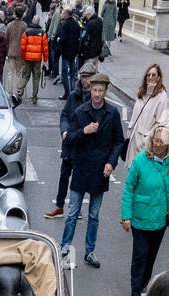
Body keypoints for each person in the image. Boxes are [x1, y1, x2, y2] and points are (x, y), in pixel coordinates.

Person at [59, 71, 124, 268]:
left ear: (105, 91)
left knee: (94, 215)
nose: (97, 94)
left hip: (100, 171)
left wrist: (111, 163)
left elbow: (118, 142)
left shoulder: (112, 114)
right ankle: (64, 248)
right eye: (94, 90)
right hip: (82, 168)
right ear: (90, 90)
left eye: (100, 90)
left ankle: (89, 251)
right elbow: (69, 138)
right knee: (72, 213)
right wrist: (83, 131)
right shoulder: (81, 112)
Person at [120, 123, 169, 296]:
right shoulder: (141, 160)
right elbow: (128, 189)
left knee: (151, 256)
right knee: (140, 255)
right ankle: (134, 292)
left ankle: (142, 288)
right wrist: (126, 216)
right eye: (155, 140)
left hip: (161, 218)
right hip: (141, 217)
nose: (157, 144)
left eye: (161, 142)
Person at [44, 61, 94, 218]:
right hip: (70, 141)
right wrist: (64, 130)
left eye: (89, 78)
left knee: (79, 178)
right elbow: (65, 114)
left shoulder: (93, 100)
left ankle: (76, 208)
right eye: (84, 77)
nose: (86, 81)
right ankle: (59, 206)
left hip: (84, 144)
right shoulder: (74, 95)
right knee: (64, 175)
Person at [124, 62, 167, 168]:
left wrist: (148, 139)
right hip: (134, 139)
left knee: (142, 173)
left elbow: (160, 122)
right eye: (148, 75)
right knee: (131, 172)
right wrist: (129, 132)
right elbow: (135, 115)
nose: (150, 77)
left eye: (154, 75)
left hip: (146, 142)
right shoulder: (142, 92)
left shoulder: (162, 96)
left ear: (159, 78)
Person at [15, 13, 48, 106]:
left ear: (32, 21)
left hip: (27, 58)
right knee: (36, 78)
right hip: (37, 59)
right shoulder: (42, 33)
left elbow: (22, 47)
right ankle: (34, 97)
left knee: (25, 76)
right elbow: (45, 48)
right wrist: (45, 60)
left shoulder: (27, 32)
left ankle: (19, 91)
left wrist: (23, 57)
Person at [4, 6, 27, 97]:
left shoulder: (10, 25)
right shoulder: (24, 26)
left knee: (10, 72)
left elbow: (6, 39)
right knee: (18, 73)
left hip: (11, 51)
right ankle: (17, 91)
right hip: (20, 52)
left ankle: (9, 91)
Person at [57, 6, 81, 95]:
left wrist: (59, 40)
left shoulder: (65, 24)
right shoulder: (76, 24)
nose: (62, 14)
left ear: (66, 14)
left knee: (64, 73)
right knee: (72, 73)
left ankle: (67, 92)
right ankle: (73, 92)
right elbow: (78, 38)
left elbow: (63, 38)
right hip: (74, 51)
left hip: (66, 52)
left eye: (63, 13)